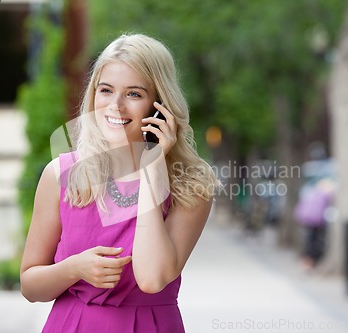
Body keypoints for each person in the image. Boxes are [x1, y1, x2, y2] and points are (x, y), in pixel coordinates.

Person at [20, 33, 219, 332]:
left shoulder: (191, 185)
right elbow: (30, 286)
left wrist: (152, 166)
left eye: (134, 94)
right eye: (106, 90)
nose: (115, 105)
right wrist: (74, 269)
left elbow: (152, 279)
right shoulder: (61, 174)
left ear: (159, 105)